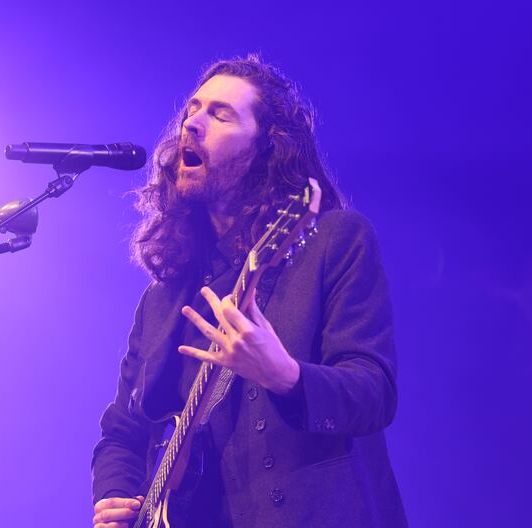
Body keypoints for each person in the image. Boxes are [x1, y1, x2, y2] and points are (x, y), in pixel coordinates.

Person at [91, 55, 407, 528]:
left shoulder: (334, 240)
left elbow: (374, 391)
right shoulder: (162, 301)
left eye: (220, 114)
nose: (192, 123)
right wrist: (116, 496)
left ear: (266, 148)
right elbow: (122, 430)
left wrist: (286, 376)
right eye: (192, 110)